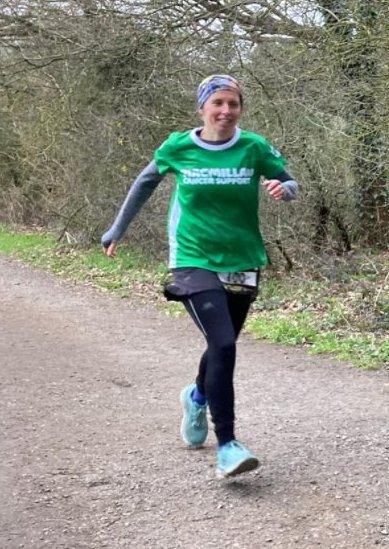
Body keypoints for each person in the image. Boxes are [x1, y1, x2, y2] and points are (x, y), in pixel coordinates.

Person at [101, 74, 298, 477]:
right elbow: (144, 183)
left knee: (221, 343)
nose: (226, 111)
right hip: (192, 258)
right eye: (218, 103)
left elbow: (289, 180)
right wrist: (117, 229)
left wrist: (284, 189)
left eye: (233, 104)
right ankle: (228, 444)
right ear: (203, 108)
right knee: (224, 344)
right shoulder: (179, 147)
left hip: (242, 258)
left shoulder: (254, 146)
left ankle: (196, 395)